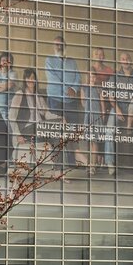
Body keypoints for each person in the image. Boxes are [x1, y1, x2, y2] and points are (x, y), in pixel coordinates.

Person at [44, 36, 82, 167]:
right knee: (57, 132)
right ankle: (58, 165)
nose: (59, 47)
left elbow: (78, 76)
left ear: (65, 46)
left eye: (61, 45)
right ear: (54, 47)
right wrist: (68, 89)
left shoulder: (72, 61)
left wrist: (74, 88)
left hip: (70, 101)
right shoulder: (49, 60)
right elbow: (54, 80)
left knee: (72, 131)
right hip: (55, 100)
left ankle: (71, 163)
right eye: (56, 45)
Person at [9, 68, 60, 149]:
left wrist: (59, 118)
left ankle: (58, 159)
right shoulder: (20, 94)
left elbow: (46, 113)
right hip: (26, 128)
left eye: (33, 78)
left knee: (59, 135)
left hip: (40, 127)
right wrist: (18, 135)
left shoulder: (39, 95)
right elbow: (11, 117)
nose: (30, 80)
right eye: (28, 78)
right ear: (24, 80)